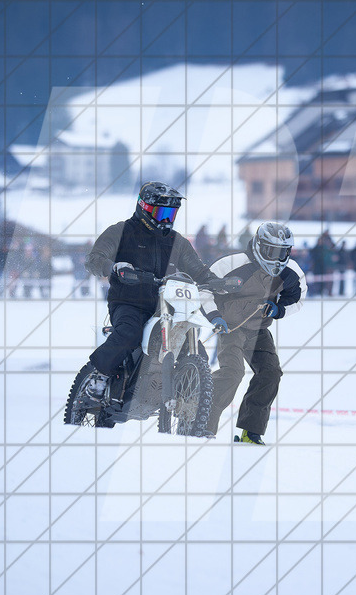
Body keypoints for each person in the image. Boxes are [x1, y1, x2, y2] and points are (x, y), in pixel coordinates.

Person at [82, 182, 229, 402]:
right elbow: (94, 260)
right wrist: (113, 267)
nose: (167, 219)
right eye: (162, 212)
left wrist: (218, 283)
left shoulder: (176, 241)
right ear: (144, 207)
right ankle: (100, 374)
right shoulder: (121, 231)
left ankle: (191, 404)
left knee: (194, 346)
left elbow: (198, 270)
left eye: (171, 213)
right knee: (129, 333)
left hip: (167, 306)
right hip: (128, 302)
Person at [206, 222, 306, 444]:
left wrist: (280, 309)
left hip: (258, 329)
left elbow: (297, 299)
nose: (278, 259)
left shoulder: (292, 272)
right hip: (230, 327)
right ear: (260, 246)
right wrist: (214, 316)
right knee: (232, 373)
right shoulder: (231, 264)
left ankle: (250, 432)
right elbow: (204, 288)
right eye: (272, 251)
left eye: (284, 253)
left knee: (270, 373)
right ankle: (201, 424)